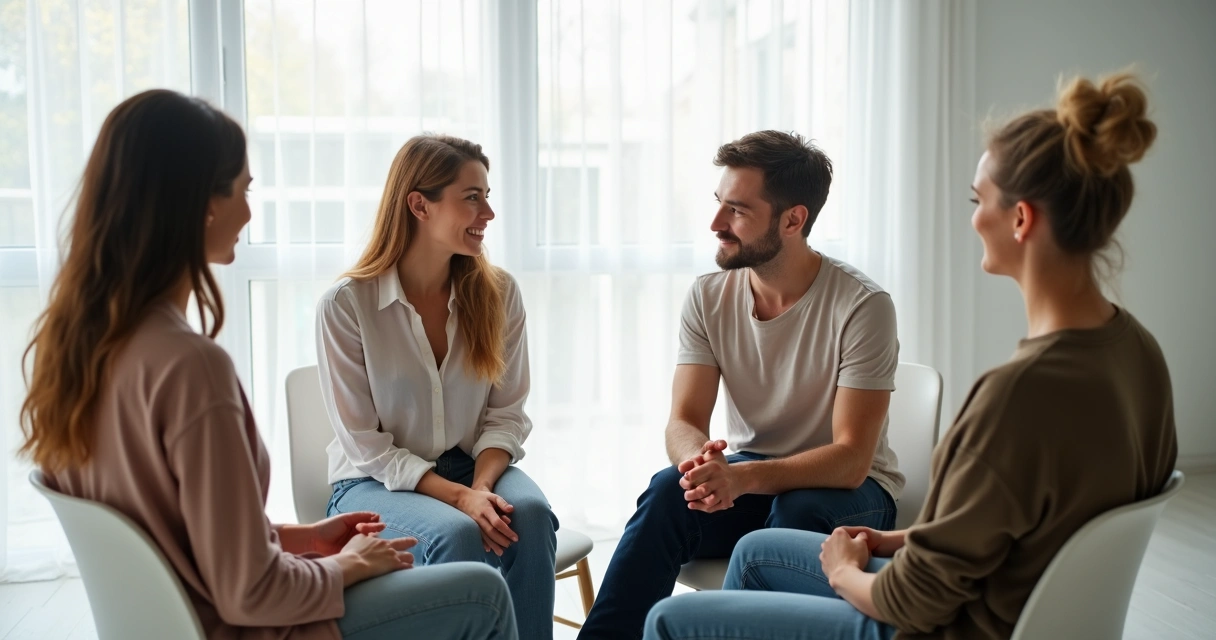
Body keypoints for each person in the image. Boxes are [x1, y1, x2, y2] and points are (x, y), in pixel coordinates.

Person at [642, 72, 1178, 640]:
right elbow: (991, 534)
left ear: (1020, 220)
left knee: (669, 619)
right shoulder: (1139, 353)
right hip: (1013, 604)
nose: (973, 218)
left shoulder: (1016, 394)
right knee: (755, 549)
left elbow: (914, 598)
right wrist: (889, 544)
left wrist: (845, 570)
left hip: (945, 626)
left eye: (979, 201)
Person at [19, 90, 517, 639]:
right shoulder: (190, 368)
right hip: (246, 626)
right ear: (200, 203)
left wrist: (300, 538)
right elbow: (251, 592)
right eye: (244, 188)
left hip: (182, 617)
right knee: (485, 594)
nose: (251, 210)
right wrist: (349, 564)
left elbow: (179, 535)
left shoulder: (84, 349)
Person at [578, 130, 904, 639]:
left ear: (793, 220)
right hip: (752, 477)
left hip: (851, 491)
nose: (715, 225)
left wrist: (741, 479)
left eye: (737, 211)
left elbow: (851, 458)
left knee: (797, 509)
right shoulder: (709, 297)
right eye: (717, 205)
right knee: (670, 491)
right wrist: (700, 467)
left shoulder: (862, 306)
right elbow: (685, 420)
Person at [316, 134, 558, 640]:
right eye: (472, 197)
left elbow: (505, 414)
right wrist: (461, 500)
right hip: (372, 483)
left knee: (529, 516)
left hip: (473, 467)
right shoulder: (347, 304)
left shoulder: (499, 293)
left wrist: (481, 488)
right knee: (457, 533)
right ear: (419, 205)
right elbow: (366, 445)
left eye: (488, 196)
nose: (488, 212)